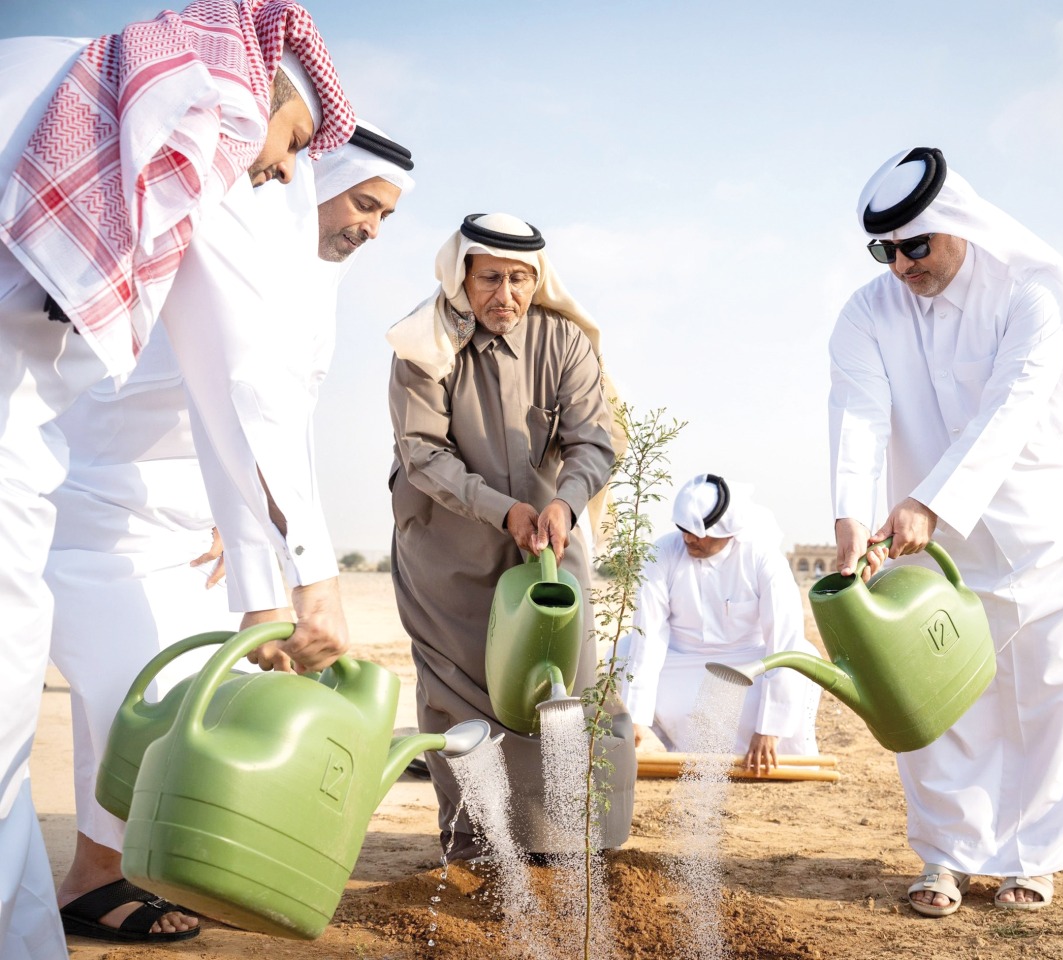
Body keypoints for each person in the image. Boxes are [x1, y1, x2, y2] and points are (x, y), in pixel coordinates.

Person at [0, 6, 357, 957]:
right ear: (261, 89)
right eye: (291, 143)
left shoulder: (67, 74)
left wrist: (257, 581)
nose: (283, 168)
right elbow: (236, 375)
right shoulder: (205, 112)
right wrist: (307, 580)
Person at [43, 121, 413, 944]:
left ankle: (147, 866)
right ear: (309, 180)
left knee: (199, 706)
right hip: (97, 510)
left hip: (192, 524)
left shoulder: (314, 281)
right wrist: (294, 572)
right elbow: (238, 395)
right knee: (139, 697)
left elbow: (281, 424)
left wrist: (232, 515)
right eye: (363, 203)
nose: (370, 228)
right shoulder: (226, 239)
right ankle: (88, 883)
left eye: (386, 215)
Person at [828, 146, 1063, 917]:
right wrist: (852, 514)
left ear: (956, 223)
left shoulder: (1029, 294)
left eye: (915, 245)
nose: (900, 265)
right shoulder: (867, 312)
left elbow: (1012, 406)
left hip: (1050, 531)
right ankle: (946, 858)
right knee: (939, 702)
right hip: (934, 548)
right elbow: (857, 413)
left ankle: (1036, 858)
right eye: (885, 250)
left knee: (1055, 693)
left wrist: (931, 500)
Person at [386, 213, 632, 860]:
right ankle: (474, 844)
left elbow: (592, 441)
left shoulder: (565, 342)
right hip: (446, 546)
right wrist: (503, 511)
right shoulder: (422, 343)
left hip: (549, 537)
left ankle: (565, 841)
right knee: (460, 688)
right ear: (461, 275)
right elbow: (423, 454)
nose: (507, 295)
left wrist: (566, 503)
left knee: (562, 684)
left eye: (520, 278)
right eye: (490, 277)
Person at [621, 474, 823, 774]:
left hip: (749, 666)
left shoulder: (763, 559)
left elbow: (784, 641)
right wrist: (634, 716)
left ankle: (774, 748)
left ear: (729, 532)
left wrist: (769, 727)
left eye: (699, 533)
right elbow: (647, 635)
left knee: (805, 655)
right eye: (683, 530)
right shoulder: (662, 553)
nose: (688, 539)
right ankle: (683, 750)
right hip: (681, 662)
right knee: (623, 650)